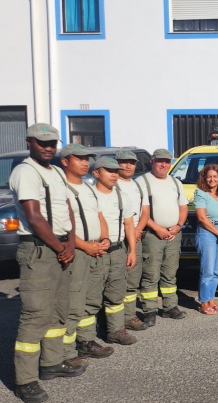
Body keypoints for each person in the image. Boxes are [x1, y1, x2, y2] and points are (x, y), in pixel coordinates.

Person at [10, 124, 83, 403]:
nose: (48, 147)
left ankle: (51, 364)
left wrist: (71, 242)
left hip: (61, 245)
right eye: (42, 142)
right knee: (36, 314)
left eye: (52, 142)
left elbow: (67, 209)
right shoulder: (26, 172)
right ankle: (25, 381)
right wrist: (60, 247)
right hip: (40, 249)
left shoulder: (55, 172)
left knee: (58, 309)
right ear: (29, 142)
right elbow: (35, 217)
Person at [60, 143, 113, 367]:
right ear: (65, 162)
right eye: (79, 158)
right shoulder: (60, 188)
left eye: (87, 159)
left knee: (91, 301)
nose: (85, 162)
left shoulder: (89, 188)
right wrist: (85, 246)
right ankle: (65, 352)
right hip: (78, 252)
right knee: (74, 303)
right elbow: (62, 226)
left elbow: (99, 216)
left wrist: (105, 240)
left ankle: (86, 341)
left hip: (96, 250)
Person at [78, 157, 139, 346]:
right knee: (92, 296)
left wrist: (132, 251)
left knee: (115, 292)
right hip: (94, 251)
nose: (115, 175)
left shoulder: (122, 197)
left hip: (117, 250)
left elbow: (129, 225)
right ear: (96, 173)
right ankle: (86, 339)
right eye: (109, 171)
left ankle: (115, 330)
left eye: (116, 171)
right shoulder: (88, 196)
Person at [137, 149, 188, 326]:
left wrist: (178, 226)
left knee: (170, 272)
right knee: (151, 273)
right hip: (153, 235)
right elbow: (141, 212)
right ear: (152, 161)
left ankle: (169, 307)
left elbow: (183, 208)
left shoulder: (176, 182)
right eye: (160, 161)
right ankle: (149, 310)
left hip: (174, 234)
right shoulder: (143, 182)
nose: (164, 165)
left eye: (166, 161)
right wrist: (157, 228)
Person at [115, 149, 150, 331]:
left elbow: (145, 212)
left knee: (132, 279)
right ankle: (114, 320)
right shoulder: (112, 184)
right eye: (124, 162)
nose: (128, 166)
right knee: (115, 281)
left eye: (132, 162)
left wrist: (137, 230)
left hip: (135, 236)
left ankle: (129, 316)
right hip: (118, 238)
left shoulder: (138, 185)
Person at [194, 164, 218, 314]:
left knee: (216, 270)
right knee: (207, 270)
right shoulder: (200, 193)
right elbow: (202, 218)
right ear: (204, 178)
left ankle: (211, 299)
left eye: (215, 176)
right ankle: (204, 302)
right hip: (207, 232)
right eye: (209, 176)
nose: (212, 179)